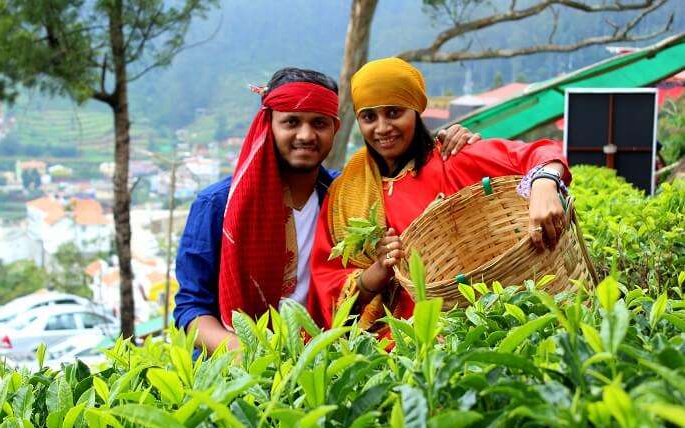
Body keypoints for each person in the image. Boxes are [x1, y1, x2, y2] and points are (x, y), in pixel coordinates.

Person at [173, 66, 478, 355]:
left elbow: (410, 179)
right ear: (269, 125)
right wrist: (249, 354)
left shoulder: (348, 194)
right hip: (246, 366)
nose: (306, 135)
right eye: (292, 122)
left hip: (330, 359)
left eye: (319, 123)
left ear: (335, 128)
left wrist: (449, 145)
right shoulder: (219, 204)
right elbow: (191, 309)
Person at [308, 57, 571, 333]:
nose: (382, 128)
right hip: (391, 352)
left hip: (471, 331)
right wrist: (374, 274)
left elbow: (539, 154)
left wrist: (544, 182)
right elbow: (327, 285)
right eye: (369, 117)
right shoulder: (346, 192)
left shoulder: (452, 157)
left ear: (416, 111)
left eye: (394, 112)